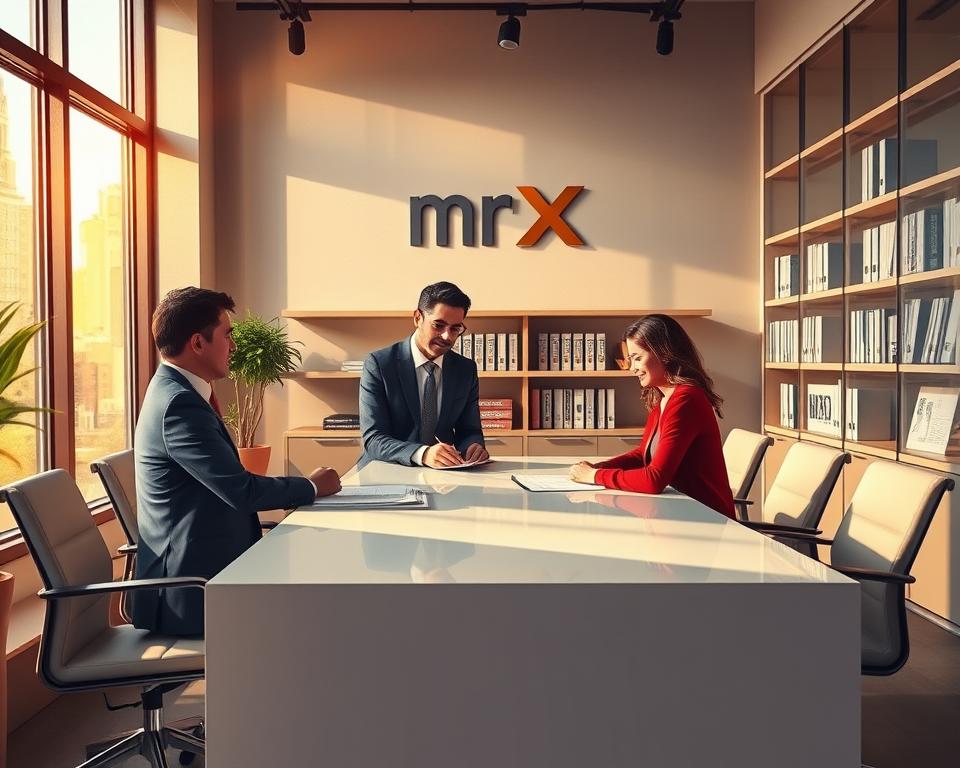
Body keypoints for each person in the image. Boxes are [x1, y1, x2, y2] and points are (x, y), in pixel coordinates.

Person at [134, 287, 342, 636]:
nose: (234, 346)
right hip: (191, 592)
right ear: (197, 343)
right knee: (319, 612)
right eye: (227, 335)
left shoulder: (176, 391)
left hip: (212, 567)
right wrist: (311, 486)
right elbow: (241, 491)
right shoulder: (179, 406)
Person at [569, 314, 735, 519]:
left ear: (664, 353)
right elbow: (643, 455)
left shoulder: (686, 399)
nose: (632, 368)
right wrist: (597, 468)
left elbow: (654, 480)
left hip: (708, 520)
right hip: (682, 512)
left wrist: (595, 476)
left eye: (637, 358)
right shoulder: (664, 398)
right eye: (630, 360)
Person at [359, 281, 488, 468]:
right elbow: (373, 439)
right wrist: (423, 453)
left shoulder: (465, 369)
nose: (447, 336)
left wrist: (473, 446)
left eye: (455, 328)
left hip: (443, 473)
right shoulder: (379, 364)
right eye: (438, 325)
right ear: (418, 318)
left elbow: (469, 430)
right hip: (386, 469)